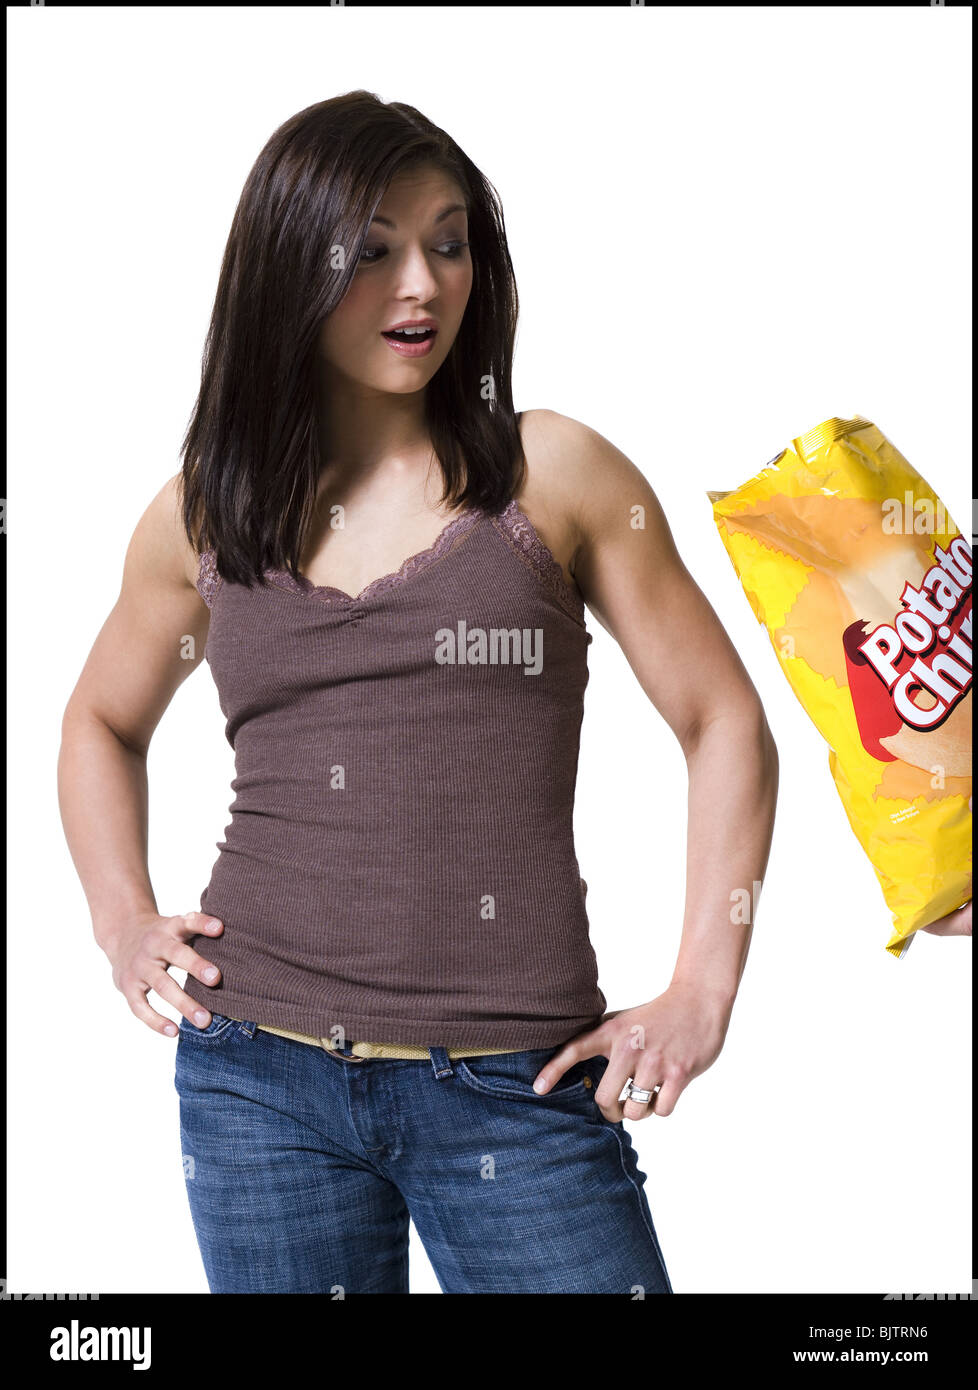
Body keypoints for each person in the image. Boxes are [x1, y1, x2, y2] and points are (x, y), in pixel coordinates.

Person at [57, 91, 778, 1294]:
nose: (425, 285)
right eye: (375, 248)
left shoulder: (555, 473)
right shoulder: (205, 510)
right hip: (255, 1073)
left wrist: (704, 985)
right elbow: (100, 720)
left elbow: (724, 719)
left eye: (449, 244)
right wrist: (121, 918)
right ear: (289, 265)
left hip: (517, 1081)